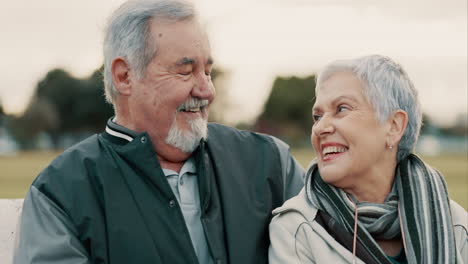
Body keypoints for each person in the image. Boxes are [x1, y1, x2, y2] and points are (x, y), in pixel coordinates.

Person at [13, 1, 305, 263]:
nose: (207, 90)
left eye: (207, 71)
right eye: (185, 71)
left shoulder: (270, 164)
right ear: (124, 76)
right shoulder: (60, 192)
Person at [269, 55, 467, 264]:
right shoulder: (296, 230)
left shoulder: (454, 224)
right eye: (317, 116)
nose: (319, 127)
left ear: (394, 126)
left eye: (341, 109)